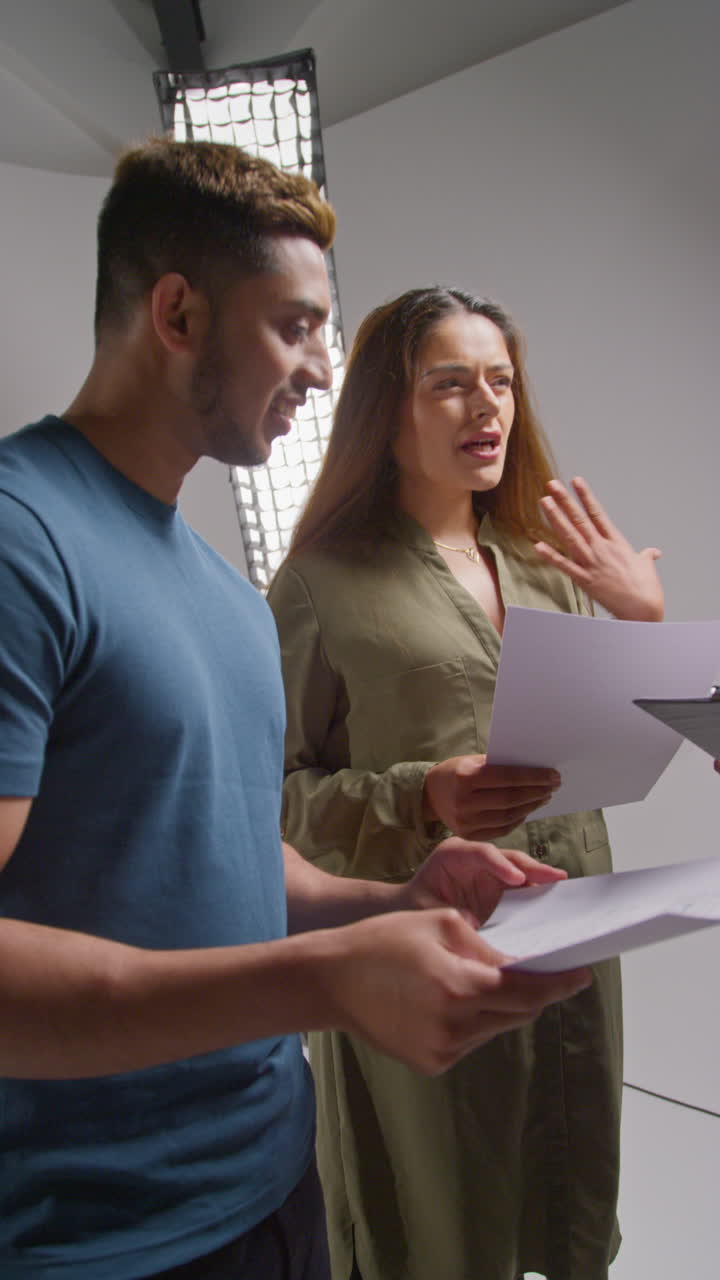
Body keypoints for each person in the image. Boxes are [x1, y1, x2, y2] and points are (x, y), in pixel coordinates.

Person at [0, 148, 591, 1280]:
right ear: (177, 312)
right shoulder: (23, 543)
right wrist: (327, 977)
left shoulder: (223, 593)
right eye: (297, 327)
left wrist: (396, 896)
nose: (325, 370)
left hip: (273, 1187)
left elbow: (228, 860)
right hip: (97, 1238)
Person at [267, 286, 665, 1280]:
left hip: (576, 927)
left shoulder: (549, 564)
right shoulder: (320, 581)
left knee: (571, 1190)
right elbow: (261, 798)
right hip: (420, 939)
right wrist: (418, 792)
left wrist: (641, 628)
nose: (487, 406)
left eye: (501, 382)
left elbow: (628, 740)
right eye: (450, 384)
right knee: (445, 1211)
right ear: (385, 413)